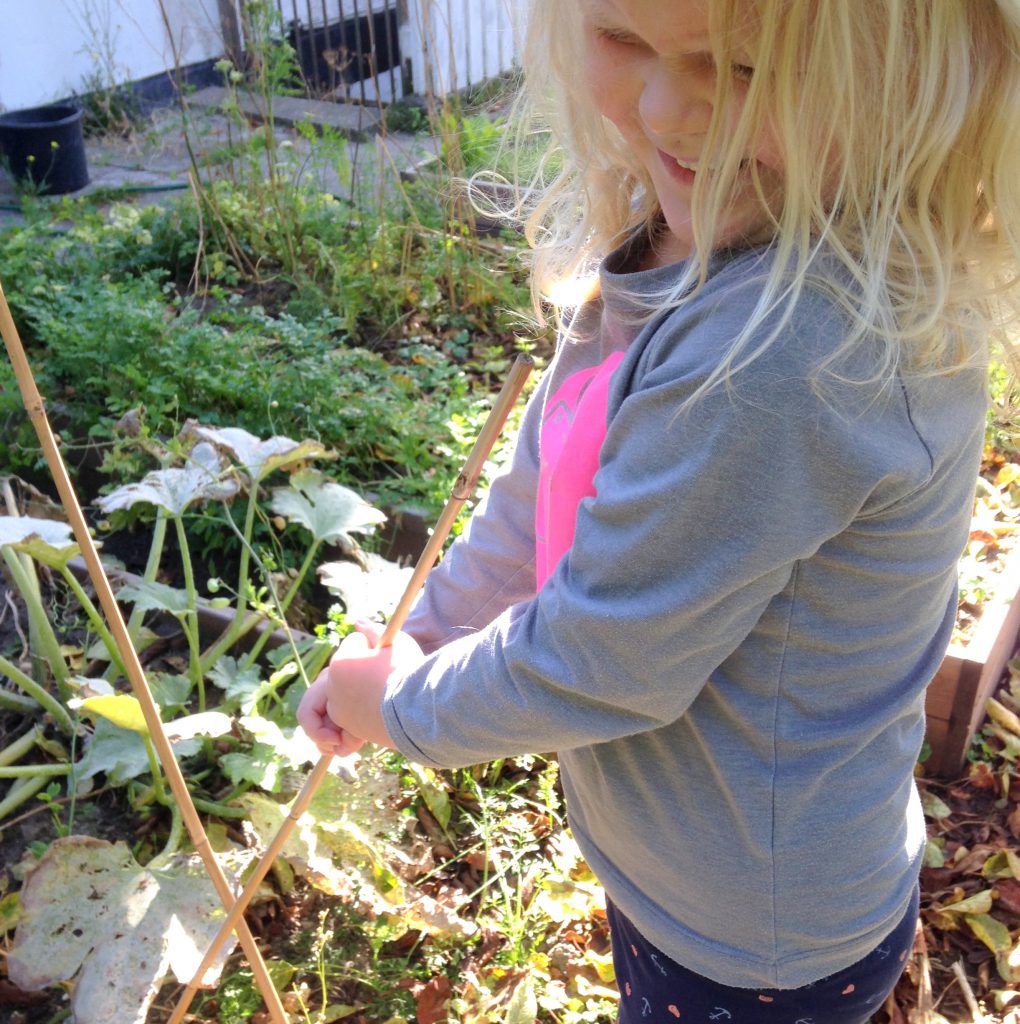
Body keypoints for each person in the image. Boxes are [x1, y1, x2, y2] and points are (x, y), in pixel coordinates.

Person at [298, 0, 1020, 1019]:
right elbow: (546, 482)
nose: (666, 107)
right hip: (691, 880)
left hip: (750, 941)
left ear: (909, 78)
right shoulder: (687, 236)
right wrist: (431, 628)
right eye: (623, 38)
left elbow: (601, 662)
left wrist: (403, 707)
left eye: (746, 69)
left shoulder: (784, 357)